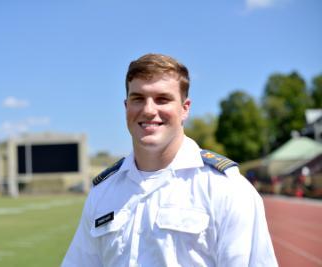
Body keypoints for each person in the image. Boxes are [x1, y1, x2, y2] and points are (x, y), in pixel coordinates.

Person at [61, 53, 278, 266]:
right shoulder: (103, 192)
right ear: (126, 106)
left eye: (162, 99)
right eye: (138, 99)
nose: (148, 110)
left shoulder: (227, 188)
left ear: (185, 109)